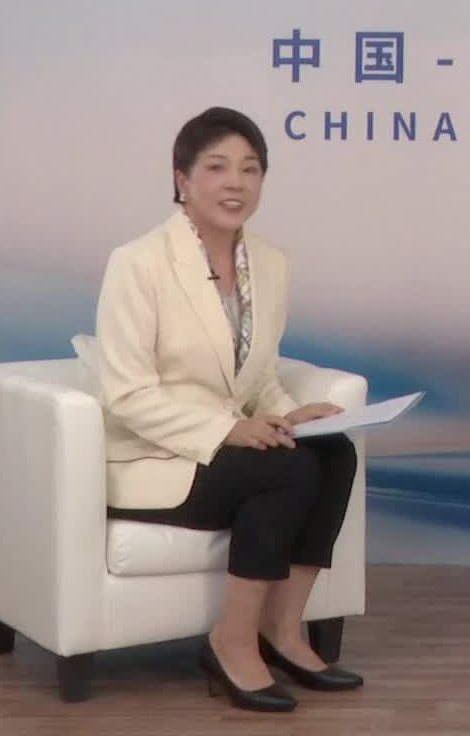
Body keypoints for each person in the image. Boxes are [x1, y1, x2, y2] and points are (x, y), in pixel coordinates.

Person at [95, 106, 364, 713]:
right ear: (182, 179)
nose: (235, 183)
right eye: (216, 167)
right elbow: (127, 395)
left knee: (332, 451)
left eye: (250, 169)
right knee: (283, 469)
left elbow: (257, 374)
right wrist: (230, 429)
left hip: (228, 452)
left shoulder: (270, 264)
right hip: (157, 460)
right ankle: (231, 642)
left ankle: (283, 631)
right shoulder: (138, 263)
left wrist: (289, 415)